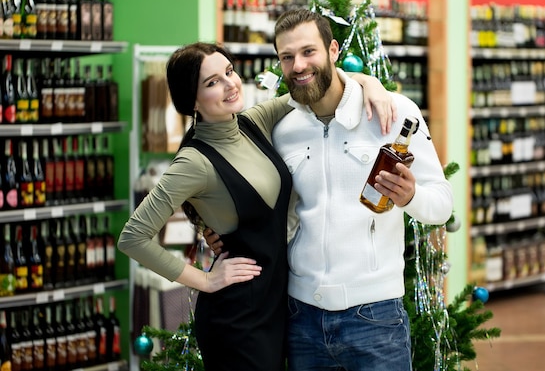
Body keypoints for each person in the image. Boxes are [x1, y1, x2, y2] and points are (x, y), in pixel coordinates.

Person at [117, 42, 397, 371]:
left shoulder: (253, 122)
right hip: (237, 320)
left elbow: (312, 85)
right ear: (191, 100)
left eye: (229, 72)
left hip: (277, 306)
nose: (230, 84)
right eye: (212, 82)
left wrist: (370, 83)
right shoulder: (193, 161)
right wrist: (204, 281)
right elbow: (132, 238)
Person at [271, 9, 454, 371]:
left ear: (333, 50)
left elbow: (443, 204)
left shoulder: (393, 112)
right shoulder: (283, 129)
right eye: (286, 57)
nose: (298, 65)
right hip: (301, 316)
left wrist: (412, 197)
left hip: (375, 319)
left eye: (309, 52)